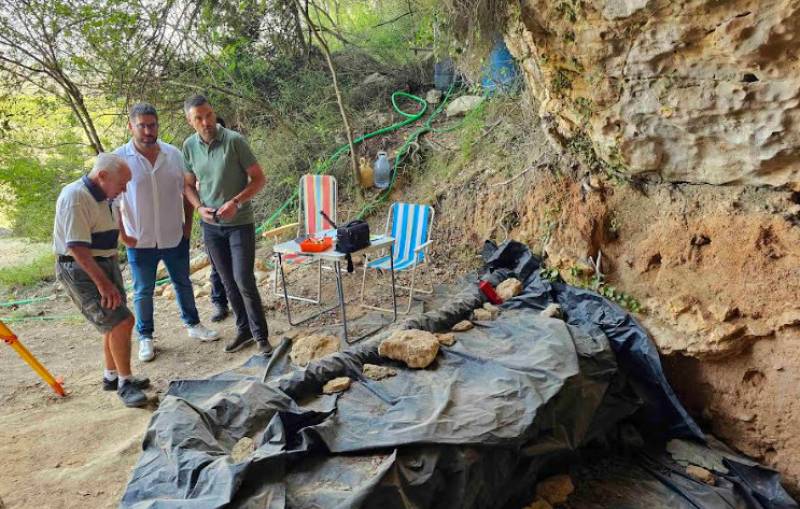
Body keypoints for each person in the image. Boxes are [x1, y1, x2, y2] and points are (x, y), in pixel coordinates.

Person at [114, 103, 219, 362]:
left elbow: (187, 190)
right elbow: (113, 201)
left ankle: (193, 325)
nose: (149, 131)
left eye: (153, 125)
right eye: (143, 126)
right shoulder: (119, 159)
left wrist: (187, 226)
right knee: (142, 291)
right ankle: (146, 337)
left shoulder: (173, 154)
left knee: (183, 282)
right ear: (131, 126)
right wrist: (122, 235)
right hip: (139, 239)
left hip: (174, 234)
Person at [53, 153, 149, 407]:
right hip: (81, 267)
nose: (124, 189)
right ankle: (125, 383)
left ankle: (112, 375)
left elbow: (110, 225)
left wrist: (126, 240)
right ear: (102, 176)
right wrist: (103, 283)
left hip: (105, 262)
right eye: (122, 183)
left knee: (113, 322)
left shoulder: (107, 196)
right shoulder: (75, 197)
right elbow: (77, 248)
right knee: (121, 321)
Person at [182, 95, 271, 354]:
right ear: (190, 121)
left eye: (208, 115)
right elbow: (187, 185)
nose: (205, 121)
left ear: (213, 113)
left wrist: (236, 202)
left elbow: (258, 179)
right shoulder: (189, 147)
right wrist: (199, 207)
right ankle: (244, 330)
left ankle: (260, 335)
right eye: (198, 118)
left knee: (243, 279)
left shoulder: (234, 141)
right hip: (211, 225)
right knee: (227, 281)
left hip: (239, 221)